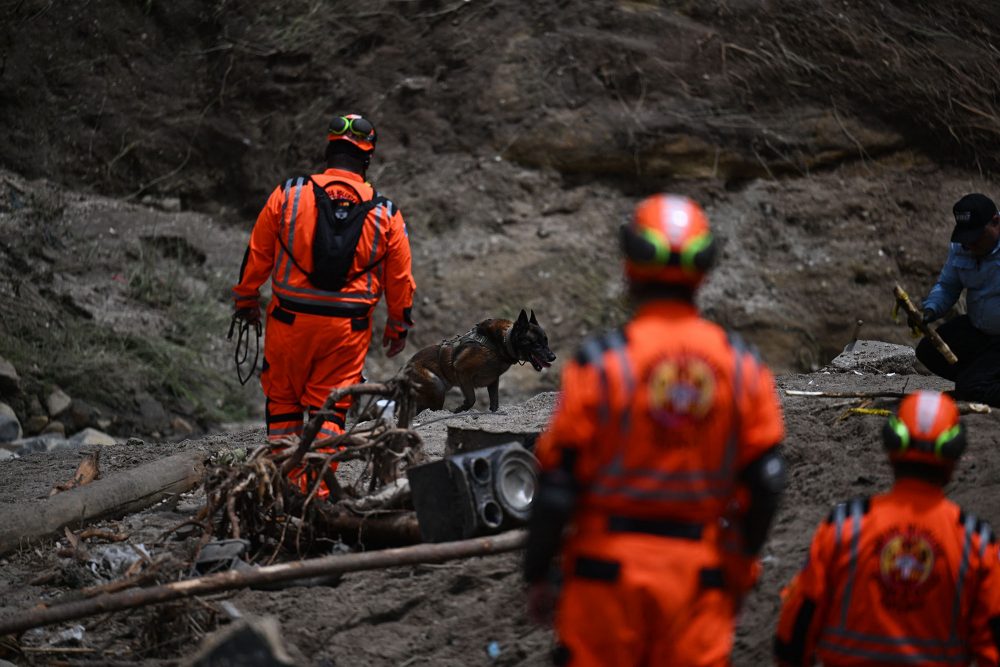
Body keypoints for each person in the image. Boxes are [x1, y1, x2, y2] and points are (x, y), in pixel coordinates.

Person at [523, 194, 787, 666]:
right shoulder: (743, 366)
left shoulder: (602, 364)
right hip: (697, 582)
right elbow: (767, 480)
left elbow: (558, 486)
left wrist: (537, 574)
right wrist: (742, 562)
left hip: (606, 579)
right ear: (705, 267)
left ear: (630, 264)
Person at [232, 113, 415, 493]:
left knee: (283, 405)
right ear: (367, 160)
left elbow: (256, 256)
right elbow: (400, 281)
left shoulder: (287, 194)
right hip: (345, 333)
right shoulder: (386, 214)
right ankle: (317, 493)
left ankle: (282, 488)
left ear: (329, 152)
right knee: (329, 410)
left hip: (288, 324)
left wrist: (246, 299)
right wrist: (398, 326)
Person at [774, 390, 1000, 667]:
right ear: (955, 453)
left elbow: (793, 635)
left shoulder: (846, 527)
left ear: (891, 446)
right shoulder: (976, 543)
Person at [916, 193, 1000, 406]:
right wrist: (930, 310)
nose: (970, 245)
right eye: (966, 238)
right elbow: (947, 285)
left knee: (971, 387)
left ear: (996, 222)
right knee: (929, 351)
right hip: (979, 329)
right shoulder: (961, 248)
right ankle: (978, 381)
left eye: (976, 237)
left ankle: (976, 385)